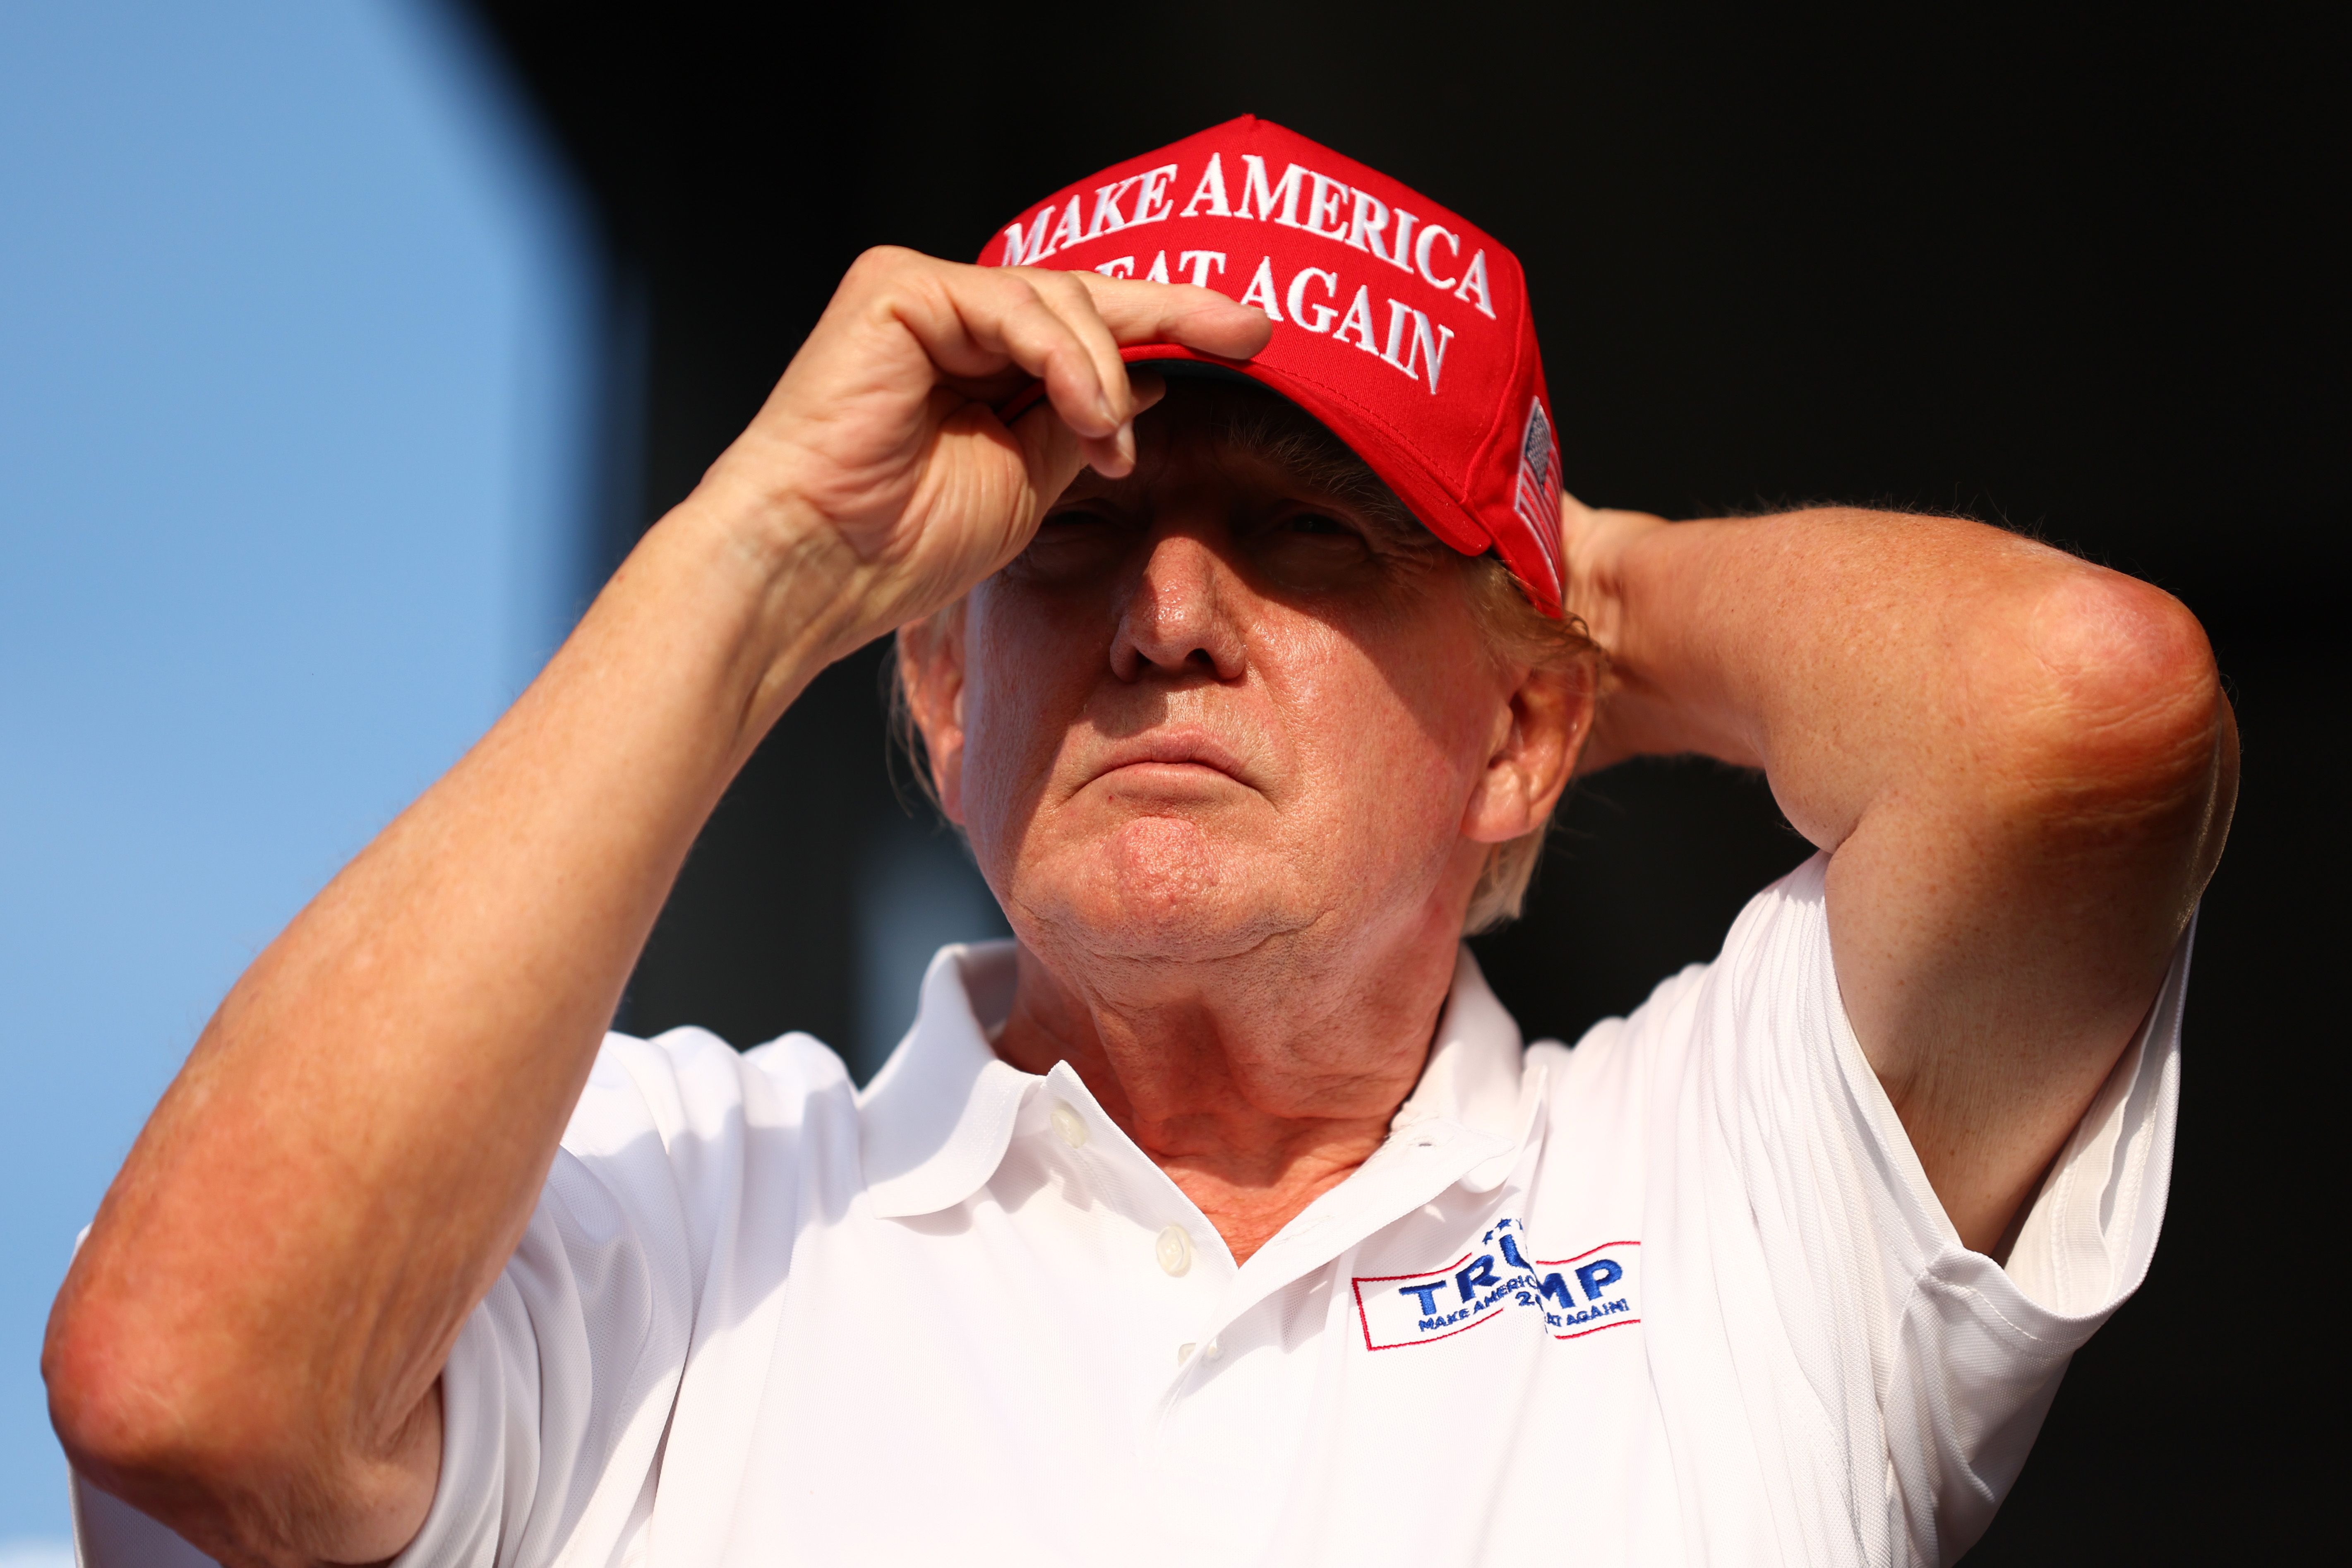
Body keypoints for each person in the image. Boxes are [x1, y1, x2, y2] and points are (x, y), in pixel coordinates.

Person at [46, 117, 2234, 1568]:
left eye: (1307, 540)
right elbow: (182, 1394)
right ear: (933, 692)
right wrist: (766, 562)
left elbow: (2080, 711)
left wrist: (1567, 600)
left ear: (1531, 736)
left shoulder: (1725, 1181)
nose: (1168, 617)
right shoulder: (653, 1206)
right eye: (1073, 539)